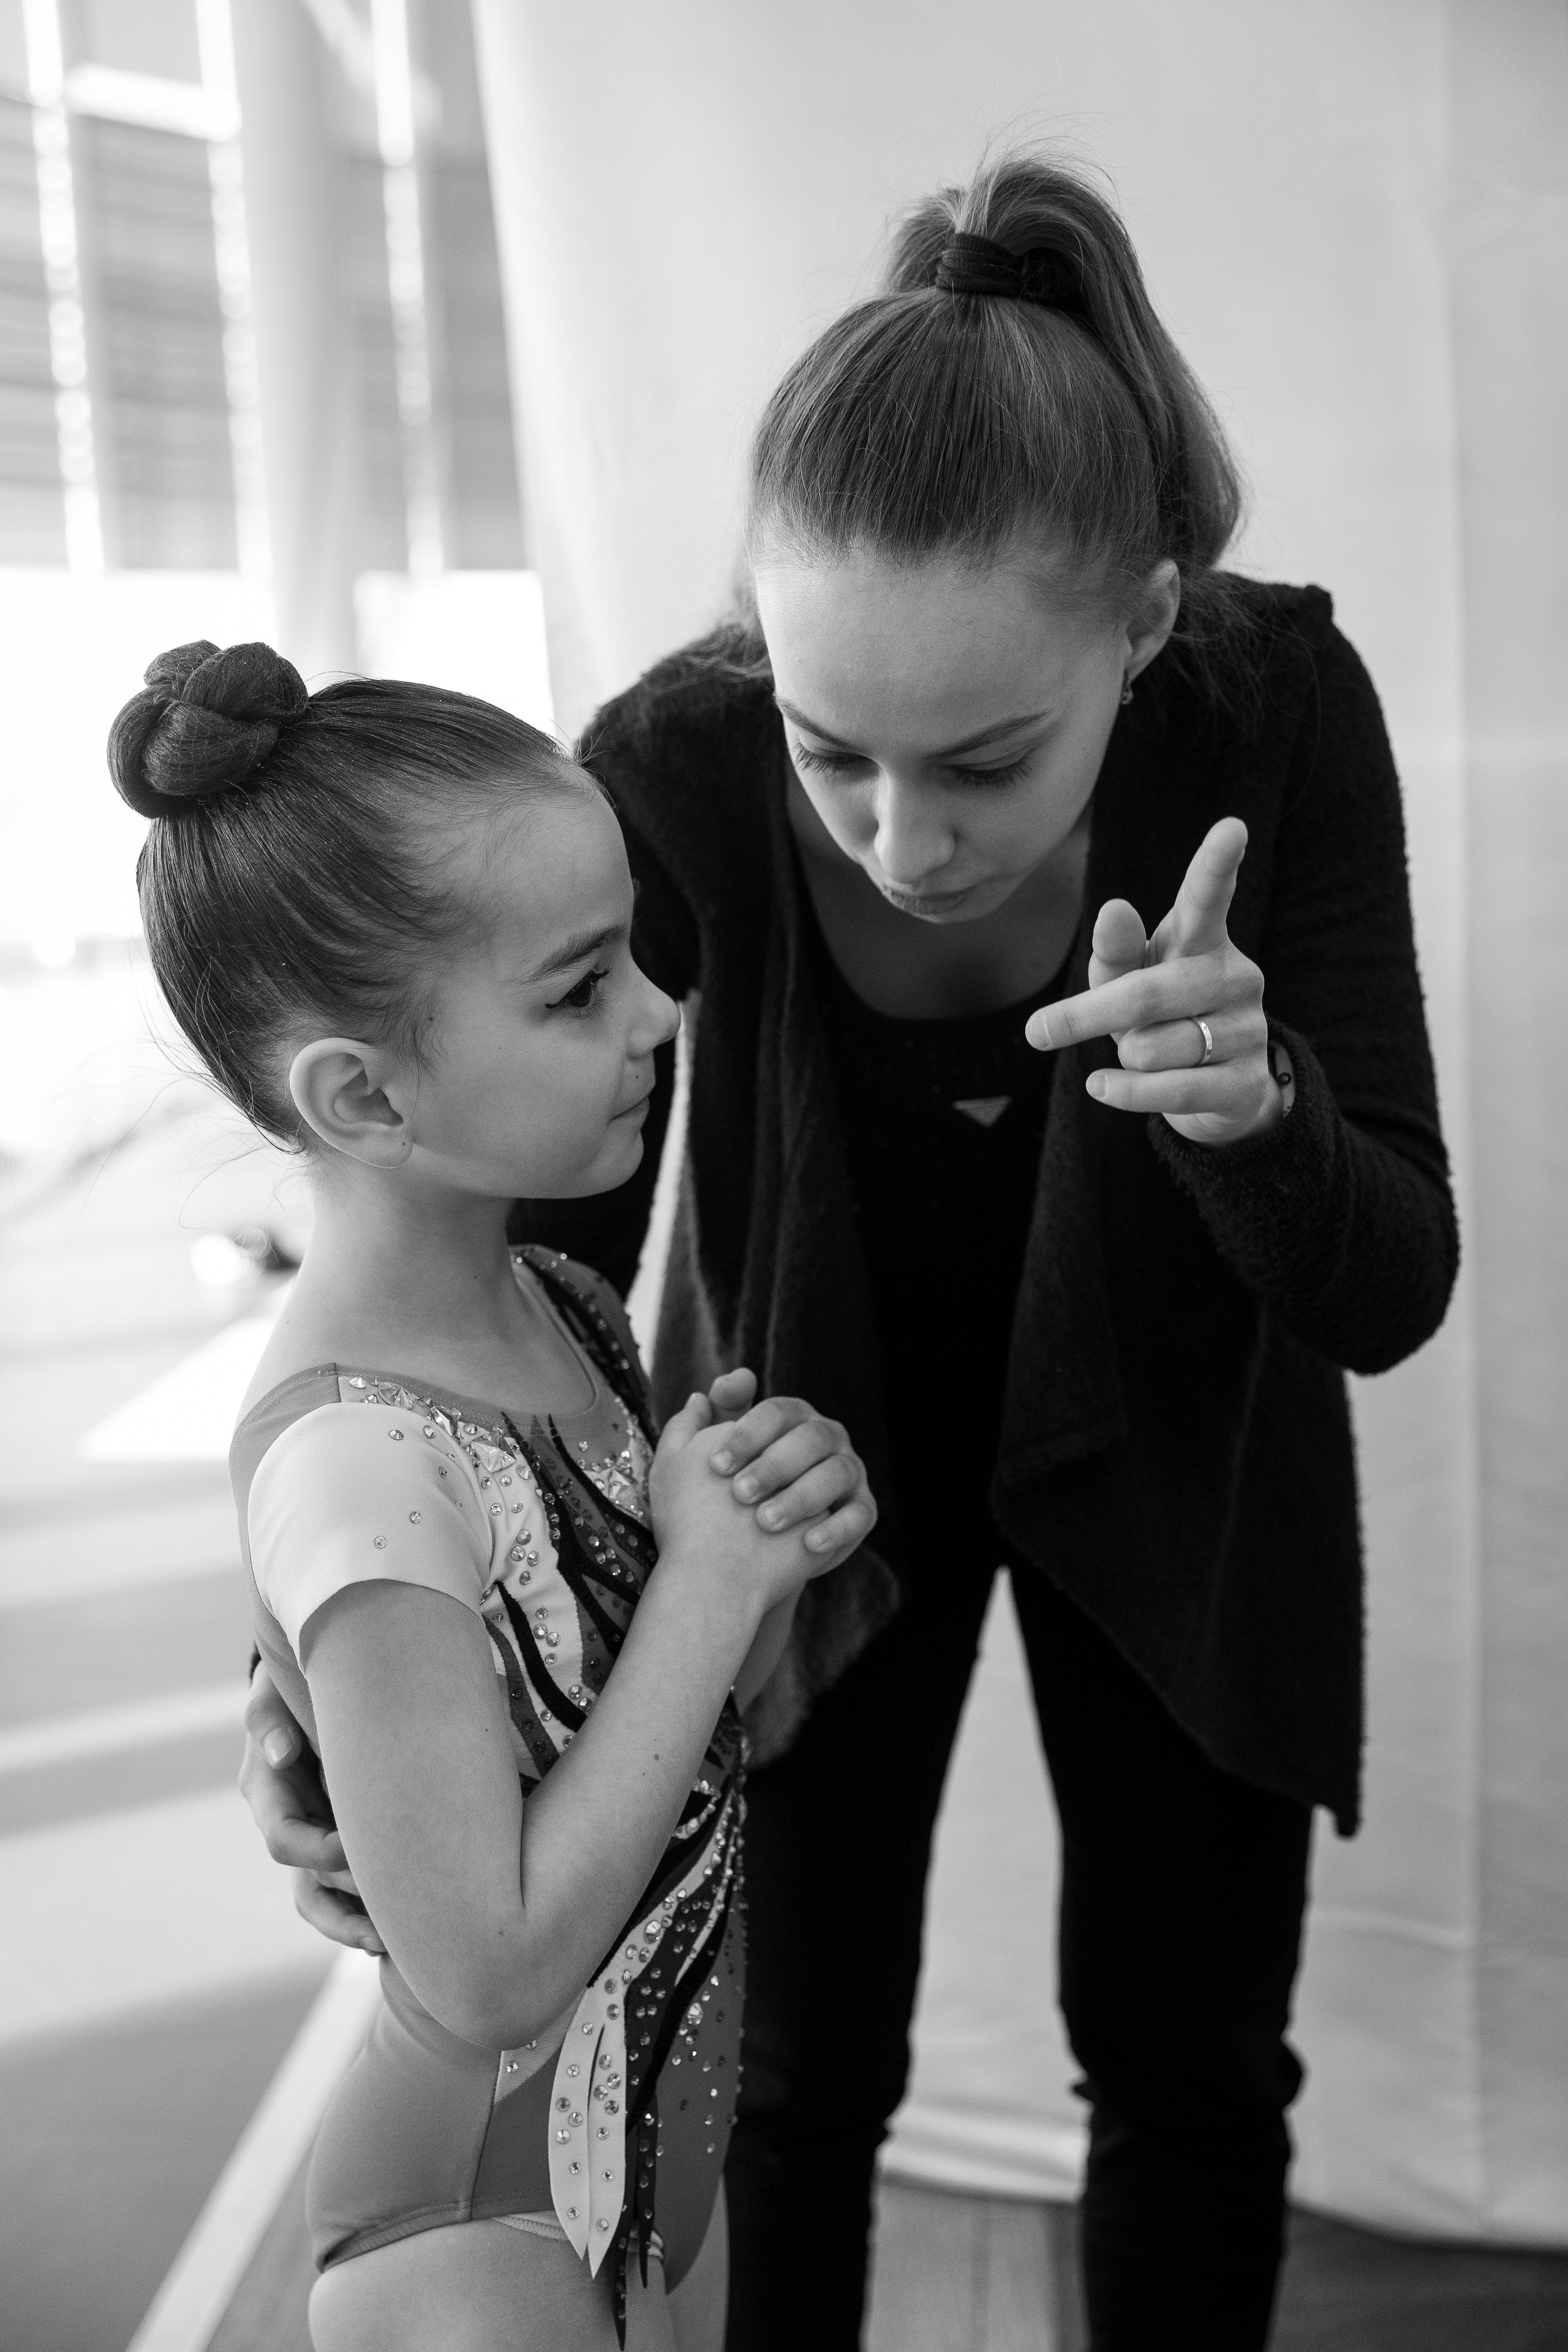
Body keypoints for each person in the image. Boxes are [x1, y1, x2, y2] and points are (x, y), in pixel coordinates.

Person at [241, 150, 1458, 2352]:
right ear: (760, 658)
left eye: (986, 762)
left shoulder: (1271, 707)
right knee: (791, 2077)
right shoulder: (676, 764)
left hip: (1185, 1466)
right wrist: (324, 1658)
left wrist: (1258, 1114)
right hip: (790, 1472)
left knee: (1192, 2066)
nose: (906, 841)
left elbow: (1390, 1288)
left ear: (1145, 627)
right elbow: (497, 1286)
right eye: (833, 752)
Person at [110, 640, 875, 2352]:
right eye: (580, 989)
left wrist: (761, 1555)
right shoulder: (356, 1459)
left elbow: (662, 1744)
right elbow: (492, 1969)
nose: (659, 1015)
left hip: (653, 2160)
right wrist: (703, 1592)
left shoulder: (567, 1309)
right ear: (365, 1094)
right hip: (477, 2219)